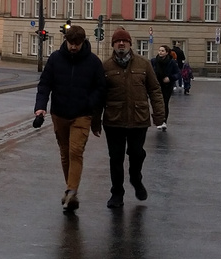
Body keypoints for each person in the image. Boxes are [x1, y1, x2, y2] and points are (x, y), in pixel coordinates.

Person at [34, 24, 108, 215]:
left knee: (76, 151)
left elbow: (101, 89)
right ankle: (70, 188)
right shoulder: (55, 59)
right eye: (71, 43)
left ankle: (71, 190)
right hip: (59, 114)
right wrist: (40, 107)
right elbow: (45, 84)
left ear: (83, 42)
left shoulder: (93, 62)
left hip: (82, 115)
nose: (74, 47)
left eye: (77, 43)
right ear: (66, 41)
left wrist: (88, 104)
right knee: (65, 153)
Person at [95, 29, 166, 209]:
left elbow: (155, 90)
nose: (121, 44)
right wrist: (95, 120)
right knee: (115, 159)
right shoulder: (106, 67)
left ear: (129, 44)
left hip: (138, 119)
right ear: (113, 45)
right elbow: (98, 96)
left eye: (124, 41)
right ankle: (117, 193)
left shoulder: (143, 65)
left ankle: (136, 178)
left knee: (136, 154)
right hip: (114, 120)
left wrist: (159, 115)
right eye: (117, 41)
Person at [152, 45, 177, 123]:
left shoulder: (171, 62)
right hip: (156, 85)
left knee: (164, 103)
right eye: (159, 50)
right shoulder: (154, 61)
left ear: (167, 52)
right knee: (157, 103)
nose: (160, 52)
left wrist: (170, 78)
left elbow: (178, 74)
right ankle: (158, 120)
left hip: (167, 86)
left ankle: (164, 121)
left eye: (162, 51)